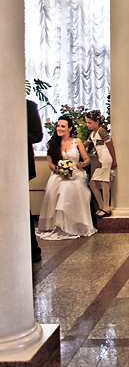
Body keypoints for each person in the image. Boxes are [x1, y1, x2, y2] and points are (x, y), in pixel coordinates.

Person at [37, 114, 97, 240]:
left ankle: (74, 224)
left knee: (69, 188)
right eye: (58, 126)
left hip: (76, 173)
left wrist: (82, 164)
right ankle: (59, 225)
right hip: (59, 173)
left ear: (69, 128)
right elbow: (50, 164)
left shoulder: (77, 142)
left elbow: (87, 159)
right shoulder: (52, 144)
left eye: (62, 126)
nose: (59, 128)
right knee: (56, 186)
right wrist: (59, 170)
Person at [85, 111, 117, 217]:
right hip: (101, 159)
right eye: (87, 123)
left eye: (90, 123)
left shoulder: (101, 131)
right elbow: (86, 144)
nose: (88, 125)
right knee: (92, 183)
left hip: (106, 158)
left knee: (104, 182)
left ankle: (106, 207)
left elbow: (109, 145)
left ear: (97, 122)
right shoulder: (92, 134)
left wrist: (114, 159)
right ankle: (102, 206)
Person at [27, 99, 44, 263]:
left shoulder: (28, 106)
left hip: (19, 164)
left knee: (22, 208)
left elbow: (37, 135)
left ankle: (33, 250)